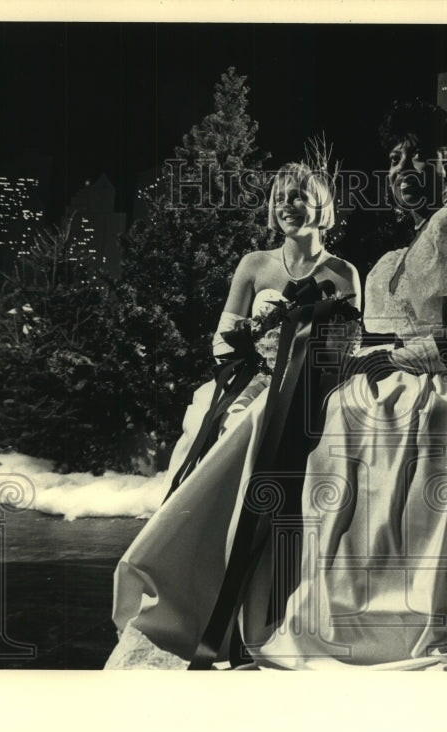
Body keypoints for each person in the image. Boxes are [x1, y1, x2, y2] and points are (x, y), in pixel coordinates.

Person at [243, 101, 447, 670]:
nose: (405, 168)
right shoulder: (400, 252)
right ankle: (346, 602)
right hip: (409, 381)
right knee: (347, 407)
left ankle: (390, 610)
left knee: (371, 414)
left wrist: (389, 359)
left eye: (422, 156)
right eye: (396, 158)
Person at [106, 162, 361, 669]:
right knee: (233, 420)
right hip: (255, 383)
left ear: (321, 207)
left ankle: (280, 605)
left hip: (314, 393)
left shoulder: (343, 274)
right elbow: (223, 342)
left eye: (299, 197)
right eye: (281, 197)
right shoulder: (254, 265)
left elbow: (348, 349)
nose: (288, 206)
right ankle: (193, 579)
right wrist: (255, 354)